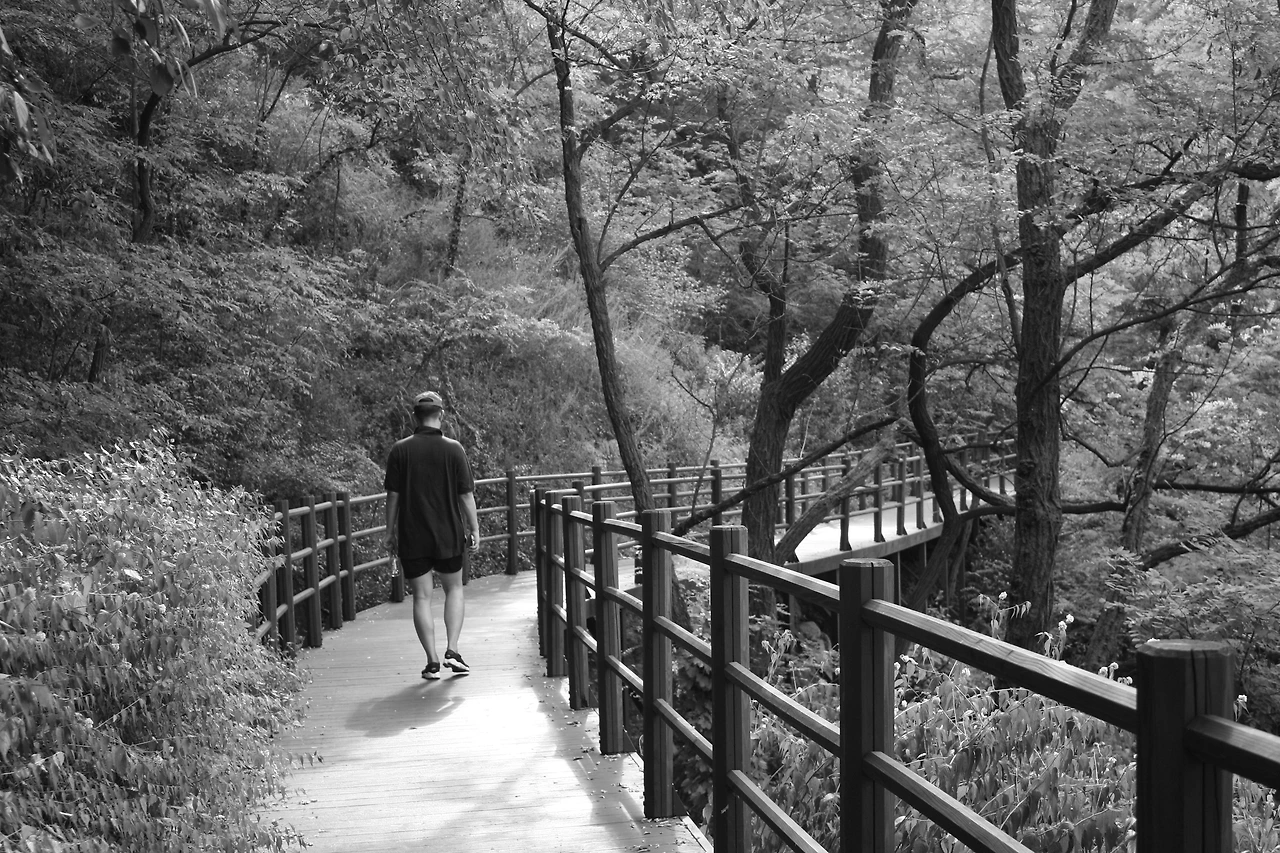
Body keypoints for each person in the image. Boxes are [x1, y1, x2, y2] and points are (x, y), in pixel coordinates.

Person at [383, 391, 480, 680]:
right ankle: (453, 651)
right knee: (454, 590)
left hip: (412, 535)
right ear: (441, 415)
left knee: (422, 597)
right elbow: (465, 495)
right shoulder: (454, 449)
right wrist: (474, 528)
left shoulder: (400, 450)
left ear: (415, 416)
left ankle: (432, 662)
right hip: (448, 533)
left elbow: (393, 497)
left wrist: (390, 532)